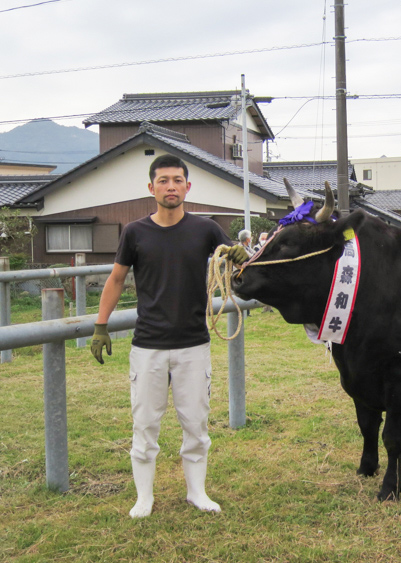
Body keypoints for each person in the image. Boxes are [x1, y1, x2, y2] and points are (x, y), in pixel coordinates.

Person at [90, 154, 247, 518]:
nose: (171, 186)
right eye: (163, 181)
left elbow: (237, 263)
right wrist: (101, 325)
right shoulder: (134, 232)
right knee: (145, 424)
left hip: (194, 343)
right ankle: (144, 497)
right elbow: (115, 279)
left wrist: (242, 255)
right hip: (148, 346)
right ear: (151, 188)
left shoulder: (206, 229)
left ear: (187, 187)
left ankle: (197, 492)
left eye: (177, 180)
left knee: (196, 423)